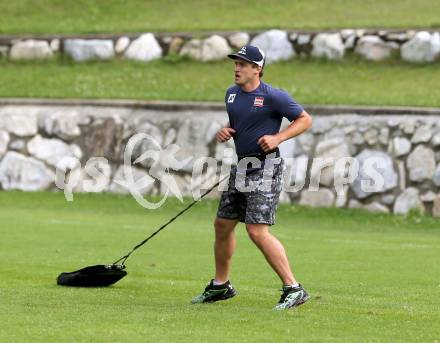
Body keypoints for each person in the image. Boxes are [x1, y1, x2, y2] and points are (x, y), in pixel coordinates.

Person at [191, 45, 313, 310]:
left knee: (256, 230)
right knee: (222, 224)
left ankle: (294, 288)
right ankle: (221, 285)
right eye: (236, 63)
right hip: (242, 167)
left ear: (257, 69)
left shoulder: (273, 96)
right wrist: (227, 131)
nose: (237, 68)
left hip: (266, 167)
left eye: (243, 64)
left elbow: (304, 119)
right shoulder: (231, 95)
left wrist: (279, 137)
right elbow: (240, 124)